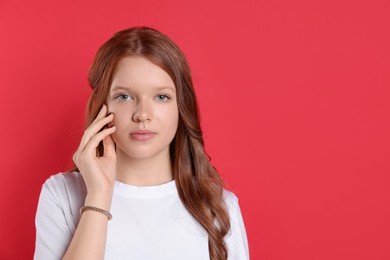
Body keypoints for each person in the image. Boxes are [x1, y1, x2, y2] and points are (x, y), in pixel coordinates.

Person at [34, 26, 249, 260]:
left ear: (181, 106)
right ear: (102, 105)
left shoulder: (219, 208)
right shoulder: (61, 194)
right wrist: (98, 195)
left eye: (161, 97)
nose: (143, 114)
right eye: (124, 96)